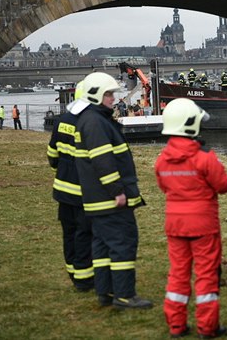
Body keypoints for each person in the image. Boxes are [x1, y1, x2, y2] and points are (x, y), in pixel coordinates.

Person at [72, 72, 152, 310]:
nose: (112, 98)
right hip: (110, 199)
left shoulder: (91, 119)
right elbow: (103, 160)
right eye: (108, 94)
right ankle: (125, 295)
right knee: (122, 244)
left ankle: (105, 291)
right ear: (96, 96)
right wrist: (117, 191)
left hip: (98, 200)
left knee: (103, 247)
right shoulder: (96, 122)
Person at [155, 98, 227, 339]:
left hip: (175, 225)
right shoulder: (205, 158)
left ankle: (176, 325)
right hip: (203, 226)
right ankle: (207, 327)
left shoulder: (162, 159)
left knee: (178, 273)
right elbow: (224, 186)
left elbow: (164, 186)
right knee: (206, 275)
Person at [46, 81, 94, 292]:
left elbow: (52, 156)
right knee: (84, 233)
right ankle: (84, 279)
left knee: (69, 233)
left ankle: (73, 272)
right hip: (83, 191)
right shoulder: (91, 123)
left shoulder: (61, 120)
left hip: (62, 189)